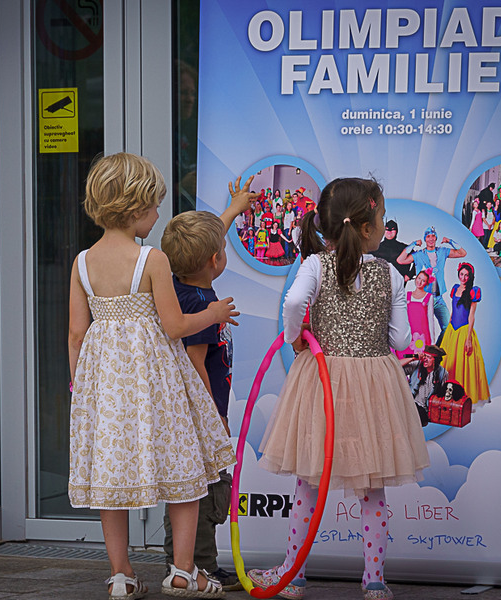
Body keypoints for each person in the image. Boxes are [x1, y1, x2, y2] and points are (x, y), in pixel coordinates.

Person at [67, 152, 238, 599]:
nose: (158, 215)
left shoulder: (82, 262)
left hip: (106, 391)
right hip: (157, 386)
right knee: (184, 470)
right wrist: (214, 313)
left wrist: (80, 389)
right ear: (135, 207)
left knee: (111, 481)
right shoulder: (152, 259)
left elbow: (76, 333)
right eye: (155, 206)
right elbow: (175, 326)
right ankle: (183, 571)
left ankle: (121, 576)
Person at [250, 177, 429, 600]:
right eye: (382, 217)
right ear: (367, 227)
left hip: (323, 380)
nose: (384, 225)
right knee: (372, 484)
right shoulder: (390, 273)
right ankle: (374, 580)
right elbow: (402, 340)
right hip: (373, 384)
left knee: (309, 482)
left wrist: (295, 337)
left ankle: (293, 574)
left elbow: (293, 304)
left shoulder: (315, 265)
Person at [159, 177, 256, 592]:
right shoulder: (200, 307)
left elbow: (204, 243)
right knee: (205, 488)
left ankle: (187, 562)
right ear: (217, 260)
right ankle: (200, 567)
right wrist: (214, 417)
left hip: (187, 414)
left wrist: (233, 209)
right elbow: (195, 363)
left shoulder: (178, 287)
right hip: (200, 416)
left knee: (192, 484)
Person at [396, 226, 466, 344]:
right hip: (423, 298)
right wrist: (413, 244)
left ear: (436, 238)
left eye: (433, 236)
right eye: (428, 236)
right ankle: (417, 351)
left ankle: (435, 350)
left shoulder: (442, 252)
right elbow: (400, 260)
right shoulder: (419, 255)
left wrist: (449, 241)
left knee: (447, 328)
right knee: (419, 329)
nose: (431, 239)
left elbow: (462, 253)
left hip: (438, 299)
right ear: (425, 239)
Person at [439, 262, 490, 407]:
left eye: (466, 275)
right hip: (452, 330)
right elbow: (453, 311)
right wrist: (448, 329)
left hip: (463, 331)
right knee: (448, 362)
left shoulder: (473, 291)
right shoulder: (455, 288)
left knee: (463, 364)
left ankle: (462, 396)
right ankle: (446, 394)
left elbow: (471, 316)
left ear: (470, 276)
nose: (463, 277)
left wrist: (468, 339)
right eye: (461, 274)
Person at [395, 269, 438, 359]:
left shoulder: (429, 297)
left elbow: (430, 319)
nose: (420, 282)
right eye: (419, 278)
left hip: (422, 335)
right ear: (416, 278)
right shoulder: (407, 295)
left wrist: (433, 342)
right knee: (404, 359)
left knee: (420, 359)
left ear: (426, 283)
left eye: (423, 280)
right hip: (408, 333)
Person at [402, 345, 449, 427]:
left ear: (436, 360)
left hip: (426, 410)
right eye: (424, 356)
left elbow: (442, 394)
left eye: (429, 357)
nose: (425, 359)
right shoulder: (417, 365)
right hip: (411, 404)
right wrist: (413, 358)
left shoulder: (443, 373)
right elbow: (395, 367)